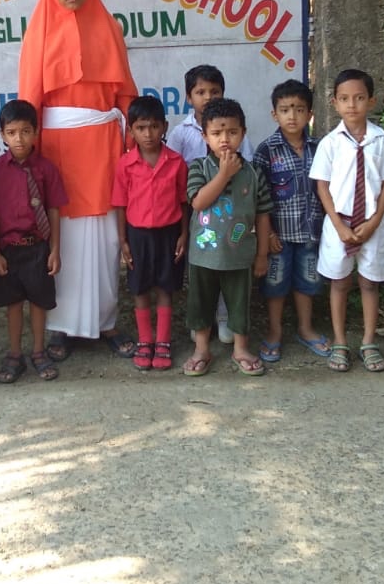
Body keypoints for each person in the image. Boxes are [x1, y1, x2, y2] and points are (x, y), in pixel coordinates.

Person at [17, 0, 138, 360]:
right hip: (57, 151)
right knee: (63, 237)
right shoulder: (38, 31)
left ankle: (107, 321)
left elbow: (125, 93)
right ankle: (62, 327)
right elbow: (30, 97)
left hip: (104, 147)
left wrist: (132, 140)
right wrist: (30, 153)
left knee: (105, 236)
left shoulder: (110, 28)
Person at [310, 68, 384, 373]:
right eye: (345, 99)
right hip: (340, 224)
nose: (352, 105)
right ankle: (339, 341)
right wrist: (338, 225)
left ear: (371, 101)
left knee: (369, 282)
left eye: (359, 98)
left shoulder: (381, 140)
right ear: (334, 103)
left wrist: (375, 220)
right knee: (339, 282)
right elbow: (322, 186)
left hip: (372, 224)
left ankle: (368, 341)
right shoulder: (329, 143)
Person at [184, 97, 272, 377]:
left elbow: (263, 214)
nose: (224, 139)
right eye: (217, 133)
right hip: (203, 255)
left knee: (239, 304)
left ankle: (240, 349)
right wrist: (223, 174)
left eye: (232, 132)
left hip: (240, 255)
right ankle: (201, 350)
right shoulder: (199, 167)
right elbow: (198, 202)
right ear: (204, 136)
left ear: (243, 133)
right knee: (201, 304)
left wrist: (261, 255)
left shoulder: (254, 173)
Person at [166, 63, 254, 344]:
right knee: (203, 268)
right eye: (200, 92)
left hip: (232, 213)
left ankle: (225, 317)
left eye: (214, 91)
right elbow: (172, 172)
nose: (207, 97)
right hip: (197, 211)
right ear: (188, 97)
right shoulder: (181, 133)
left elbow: (248, 169)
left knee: (229, 263)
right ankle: (203, 320)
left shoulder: (235, 132)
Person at [0, 100, 68, 384]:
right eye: (11, 132)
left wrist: (55, 249)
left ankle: (38, 351)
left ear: (36, 132)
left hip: (38, 247)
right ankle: (15, 354)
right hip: (8, 249)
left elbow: (54, 210)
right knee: (13, 303)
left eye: (25, 131)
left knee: (39, 301)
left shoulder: (46, 169)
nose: (18, 139)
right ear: (2, 135)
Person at [253, 79, 330, 363]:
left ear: (310, 113)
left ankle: (305, 328)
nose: (292, 116)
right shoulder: (266, 150)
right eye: (285, 110)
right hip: (278, 236)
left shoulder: (320, 148)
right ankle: (274, 331)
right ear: (274, 114)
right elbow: (259, 197)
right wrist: (268, 234)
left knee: (308, 281)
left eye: (299, 109)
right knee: (275, 285)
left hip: (311, 232)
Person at [112, 95, 188, 371]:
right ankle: (145, 340)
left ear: (165, 127)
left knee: (166, 287)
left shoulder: (177, 162)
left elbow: (184, 202)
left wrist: (184, 234)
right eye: (141, 128)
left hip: (169, 234)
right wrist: (123, 240)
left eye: (154, 126)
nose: (148, 134)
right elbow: (120, 204)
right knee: (140, 288)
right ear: (131, 130)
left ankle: (163, 341)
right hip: (137, 236)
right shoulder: (125, 165)